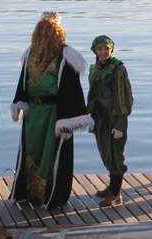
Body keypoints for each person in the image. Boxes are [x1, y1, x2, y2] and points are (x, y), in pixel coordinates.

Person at [9, 12, 93, 209]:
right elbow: (23, 81)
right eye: (41, 28)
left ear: (57, 32)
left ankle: (48, 197)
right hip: (33, 113)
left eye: (48, 28)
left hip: (54, 113)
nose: (44, 32)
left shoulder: (66, 56)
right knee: (30, 152)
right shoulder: (31, 53)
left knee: (51, 156)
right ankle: (29, 195)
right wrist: (18, 105)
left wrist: (68, 121)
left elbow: (73, 90)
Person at [87, 35, 133, 208]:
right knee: (106, 153)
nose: (103, 52)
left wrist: (120, 124)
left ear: (111, 49)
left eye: (106, 48)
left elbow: (124, 98)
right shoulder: (94, 69)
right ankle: (111, 187)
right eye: (100, 49)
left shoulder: (118, 70)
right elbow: (92, 94)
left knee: (115, 156)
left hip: (114, 117)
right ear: (95, 51)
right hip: (99, 117)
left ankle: (116, 193)